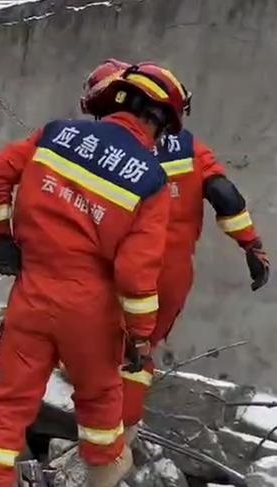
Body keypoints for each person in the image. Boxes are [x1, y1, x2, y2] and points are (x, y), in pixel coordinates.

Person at [0, 63, 188, 487]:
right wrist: (139, 336)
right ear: (161, 122)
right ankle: (102, 482)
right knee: (100, 395)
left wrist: (2, 240)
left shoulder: (54, 135)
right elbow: (134, 275)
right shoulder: (150, 180)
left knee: (11, 399)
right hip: (91, 311)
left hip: (31, 294)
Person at [80, 59, 270, 437]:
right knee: (139, 353)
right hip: (170, 277)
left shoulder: (107, 149)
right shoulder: (190, 148)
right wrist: (252, 246)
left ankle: (87, 429)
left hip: (115, 270)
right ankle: (124, 432)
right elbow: (224, 196)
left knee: (93, 346)